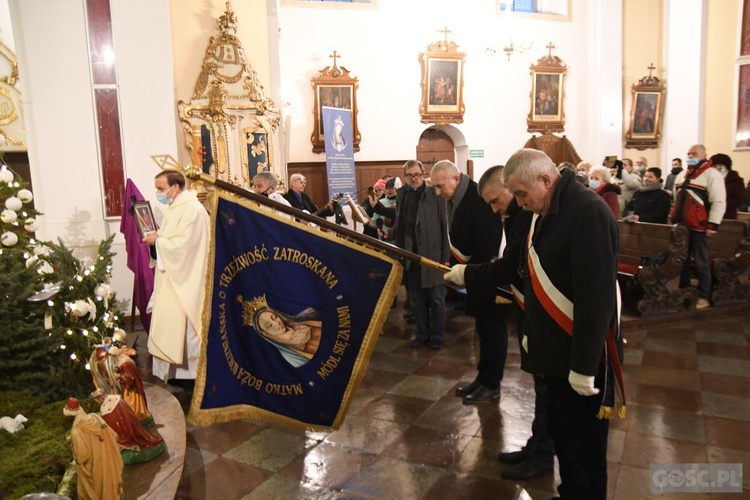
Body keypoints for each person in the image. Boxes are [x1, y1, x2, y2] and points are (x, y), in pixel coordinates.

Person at [491, 149, 622, 499]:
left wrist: (582, 367)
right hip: (556, 355)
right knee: (566, 440)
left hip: (580, 361)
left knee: (585, 451)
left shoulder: (588, 212)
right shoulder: (547, 209)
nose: (518, 202)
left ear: (545, 180)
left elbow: (595, 300)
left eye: (521, 193)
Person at [444, 165, 555, 480]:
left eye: (497, 200)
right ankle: (537, 445)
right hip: (532, 309)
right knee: (542, 387)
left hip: (546, 314)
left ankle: (543, 453)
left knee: (548, 390)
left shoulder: (533, 214)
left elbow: (511, 264)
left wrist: (468, 274)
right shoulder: (522, 214)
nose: (495, 209)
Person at [430, 160, 506, 403]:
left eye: (440, 186)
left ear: (456, 179)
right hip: (477, 276)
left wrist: (469, 273)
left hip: (489, 278)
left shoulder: (477, 198)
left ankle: (492, 383)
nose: (437, 192)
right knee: (483, 331)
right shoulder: (458, 200)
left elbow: (489, 243)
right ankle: (482, 378)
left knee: (493, 332)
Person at [370, 160, 449, 349]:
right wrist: (389, 233)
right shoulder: (402, 195)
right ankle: (422, 334)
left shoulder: (434, 194)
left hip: (432, 254)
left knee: (436, 299)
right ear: (404, 177)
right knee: (416, 298)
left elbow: (444, 226)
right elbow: (400, 224)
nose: (414, 179)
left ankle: (437, 336)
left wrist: (445, 256)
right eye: (410, 175)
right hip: (410, 255)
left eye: (417, 175)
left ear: (423, 174)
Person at [143, 170, 210, 384]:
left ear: (176, 186)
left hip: (188, 278)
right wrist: (157, 240)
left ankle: (190, 377)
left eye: (161, 188)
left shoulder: (193, 210)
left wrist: (158, 242)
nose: (158, 193)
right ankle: (175, 374)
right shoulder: (175, 208)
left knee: (187, 326)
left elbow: (185, 247)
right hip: (173, 277)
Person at [671, 144, 727, 309]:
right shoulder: (684, 173)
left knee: (701, 262)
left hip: (700, 226)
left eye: (694, 153)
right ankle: (685, 291)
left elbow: (718, 201)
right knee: (683, 261)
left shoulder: (711, 174)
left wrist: (713, 224)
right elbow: (676, 196)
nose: (690, 156)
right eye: (688, 153)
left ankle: (704, 296)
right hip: (682, 226)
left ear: (704, 155)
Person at [63, 397, 124, 500]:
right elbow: (113, 435)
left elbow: (82, 456)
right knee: (109, 480)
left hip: (94, 466)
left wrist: (74, 449)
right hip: (107, 459)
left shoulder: (76, 431)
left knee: (93, 488)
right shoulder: (95, 417)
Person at [239, 294, 322, 367]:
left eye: (274, 317)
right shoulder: (292, 358)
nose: (277, 323)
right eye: (269, 325)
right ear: (266, 334)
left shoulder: (303, 323)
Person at [91, 389, 164, 453]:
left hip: (126, 432)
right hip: (132, 424)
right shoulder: (115, 398)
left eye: (98, 399)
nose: (99, 401)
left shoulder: (106, 408)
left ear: (101, 397)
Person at [710, 153, 746, 219]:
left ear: (727, 166)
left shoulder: (736, 180)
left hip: (728, 215)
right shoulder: (710, 179)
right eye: (714, 166)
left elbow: (739, 200)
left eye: (720, 165)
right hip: (711, 214)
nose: (717, 168)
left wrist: (720, 204)